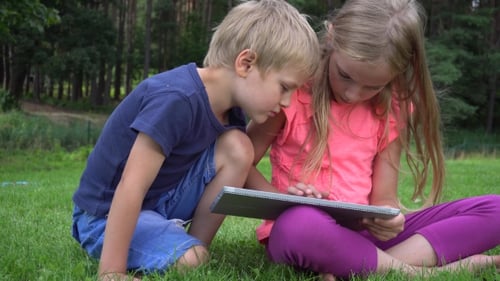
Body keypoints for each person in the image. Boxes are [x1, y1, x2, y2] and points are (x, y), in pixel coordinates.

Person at [245, 0, 500, 280]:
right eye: (345, 76)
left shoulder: (391, 108)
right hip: (301, 230)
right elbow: (242, 162)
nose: (353, 94)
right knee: (299, 225)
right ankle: (414, 273)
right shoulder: (291, 93)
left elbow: (383, 199)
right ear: (330, 37)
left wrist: (386, 220)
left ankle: (359, 265)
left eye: (373, 85)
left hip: (362, 236)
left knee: (496, 209)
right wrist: (283, 200)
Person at [70, 1, 320, 280]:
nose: (287, 102)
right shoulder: (177, 99)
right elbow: (131, 185)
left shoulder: (231, 109)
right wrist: (112, 272)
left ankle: (193, 245)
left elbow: (244, 169)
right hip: (103, 218)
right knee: (191, 261)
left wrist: (288, 202)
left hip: (157, 205)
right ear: (246, 63)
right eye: (284, 87)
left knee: (239, 146)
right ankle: (186, 252)